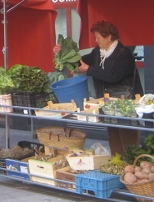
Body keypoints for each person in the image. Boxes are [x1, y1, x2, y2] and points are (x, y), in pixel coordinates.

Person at [53, 21, 144, 155]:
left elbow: (113, 76)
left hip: (125, 102)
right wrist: (61, 53)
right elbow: (81, 61)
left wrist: (89, 69)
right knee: (113, 132)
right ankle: (118, 163)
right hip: (107, 102)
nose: (96, 40)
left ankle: (132, 164)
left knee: (127, 134)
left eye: (98, 37)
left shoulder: (123, 54)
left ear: (109, 37)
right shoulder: (98, 52)